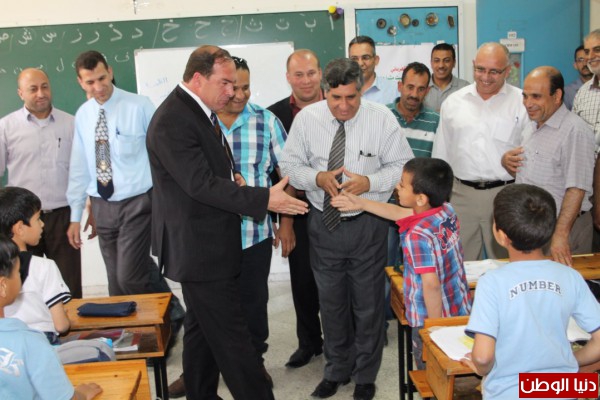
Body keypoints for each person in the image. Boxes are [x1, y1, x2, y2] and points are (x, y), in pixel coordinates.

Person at [146, 45, 307, 400]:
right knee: (235, 341)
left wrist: (233, 178)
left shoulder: (197, 110)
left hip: (209, 243)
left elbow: (206, 171)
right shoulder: (174, 119)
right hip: (201, 250)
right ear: (198, 78)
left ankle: (200, 394)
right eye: (225, 83)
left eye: (235, 84)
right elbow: (199, 184)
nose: (232, 92)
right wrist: (263, 198)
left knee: (202, 332)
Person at [279, 57, 413, 400]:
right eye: (335, 97)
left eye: (351, 97)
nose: (343, 106)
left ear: (362, 90)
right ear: (325, 91)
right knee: (332, 303)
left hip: (368, 224)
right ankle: (336, 370)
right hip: (324, 225)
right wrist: (316, 177)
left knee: (368, 306)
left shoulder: (381, 118)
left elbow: (402, 166)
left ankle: (365, 375)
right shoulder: (307, 119)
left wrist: (369, 182)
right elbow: (289, 164)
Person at [66, 50, 185, 337]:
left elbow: (163, 152)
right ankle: (155, 322)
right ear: (80, 82)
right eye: (90, 82)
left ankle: (157, 332)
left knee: (129, 275)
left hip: (138, 202)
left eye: (102, 78)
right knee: (116, 281)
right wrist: (75, 214)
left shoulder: (139, 106)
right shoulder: (83, 115)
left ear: (110, 71)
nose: (98, 87)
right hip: (102, 204)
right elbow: (79, 166)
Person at [463, 184, 600, 399]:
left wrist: (480, 369)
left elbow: (482, 357)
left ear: (500, 235)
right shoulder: (570, 276)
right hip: (563, 390)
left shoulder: (491, 282)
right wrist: (568, 361)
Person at [331, 157, 470, 370]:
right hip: (457, 307)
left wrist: (435, 330)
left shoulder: (417, 236)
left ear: (420, 198)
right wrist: (361, 203)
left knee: (431, 373)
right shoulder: (445, 211)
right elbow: (399, 213)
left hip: (430, 318)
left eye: (402, 185)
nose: (397, 186)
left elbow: (431, 284)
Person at [432, 42, 528, 261]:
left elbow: (532, 152)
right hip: (460, 197)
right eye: (480, 69)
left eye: (494, 71)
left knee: (508, 263)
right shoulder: (453, 103)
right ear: (473, 65)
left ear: (507, 71)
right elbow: (441, 154)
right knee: (459, 263)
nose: (485, 77)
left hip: (506, 195)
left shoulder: (522, 102)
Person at [0, 68, 82, 298]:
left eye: (44, 86)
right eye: (33, 89)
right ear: (20, 93)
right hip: (21, 220)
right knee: (24, 286)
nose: (41, 93)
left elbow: (81, 172)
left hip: (62, 218)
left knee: (69, 287)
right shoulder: (6, 127)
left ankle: (68, 322)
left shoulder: (71, 123)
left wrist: (81, 212)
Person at [501, 66, 594, 267]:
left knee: (564, 285)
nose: (528, 103)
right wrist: (507, 162)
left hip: (564, 229)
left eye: (536, 96)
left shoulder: (575, 131)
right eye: (525, 96)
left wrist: (561, 235)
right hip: (534, 229)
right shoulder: (532, 125)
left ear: (557, 96)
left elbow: (576, 189)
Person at [267, 49, 324, 369]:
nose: (306, 81)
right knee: (302, 281)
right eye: (298, 75)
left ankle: (342, 343)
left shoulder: (340, 106)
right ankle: (309, 342)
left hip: (337, 208)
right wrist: (284, 220)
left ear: (321, 74)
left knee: (337, 281)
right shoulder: (274, 115)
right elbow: (275, 174)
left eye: (311, 73)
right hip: (297, 209)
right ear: (288, 77)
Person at [0, 235, 102, 400]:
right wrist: (81, 394)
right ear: (3, 286)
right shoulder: (30, 342)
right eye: (18, 273)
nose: (20, 277)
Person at [0, 186, 71, 344]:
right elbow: (61, 326)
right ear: (20, 228)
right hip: (41, 342)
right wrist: (66, 317)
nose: (43, 224)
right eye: (38, 219)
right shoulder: (44, 266)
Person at [573, 30, 600, 250]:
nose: (591, 57)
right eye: (588, 51)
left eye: (597, 50)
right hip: (589, 185)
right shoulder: (583, 93)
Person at [348, 36, 398, 104]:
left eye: (365, 58)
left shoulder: (394, 90)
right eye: (354, 59)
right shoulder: (341, 90)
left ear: (376, 60)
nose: (360, 63)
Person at [423, 43, 469, 112]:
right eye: (437, 60)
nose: (441, 65)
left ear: (454, 63)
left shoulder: (465, 88)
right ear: (431, 63)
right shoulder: (421, 87)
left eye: (446, 60)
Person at [564, 44, 593, 110]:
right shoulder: (568, 91)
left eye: (588, 59)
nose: (585, 63)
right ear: (575, 65)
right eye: (580, 60)